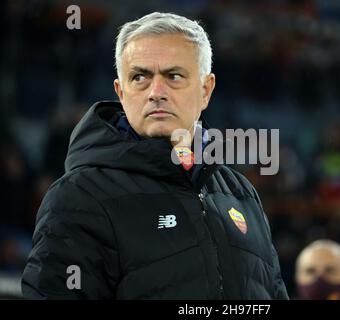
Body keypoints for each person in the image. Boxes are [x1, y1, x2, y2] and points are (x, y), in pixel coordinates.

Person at [21, 12, 288, 300]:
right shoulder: (79, 196)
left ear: (206, 90)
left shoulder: (241, 194)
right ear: (121, 92)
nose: (156, 92)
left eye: (173, 76)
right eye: (140, 77)